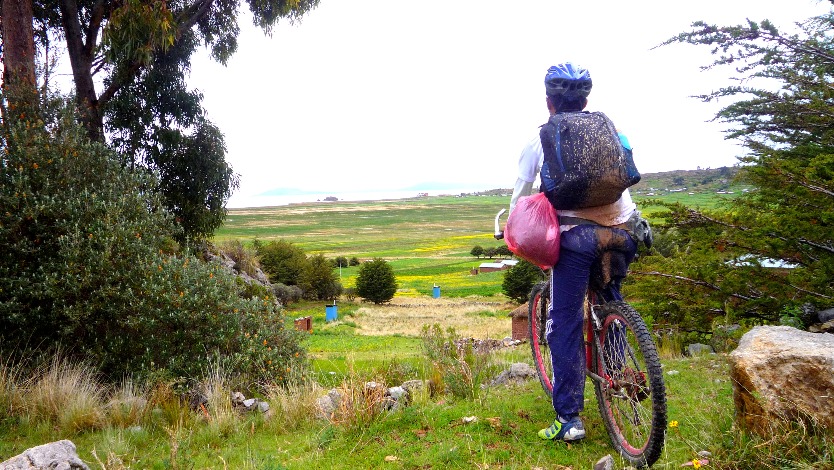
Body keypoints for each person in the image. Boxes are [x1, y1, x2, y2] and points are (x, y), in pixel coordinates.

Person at [509, 62, 639, 442]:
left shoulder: (540, 139)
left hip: (575, 240)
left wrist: (510, 227)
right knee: (610, 300)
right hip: (622, 234)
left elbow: (520, 195)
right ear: (585, 100)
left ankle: (569, 420)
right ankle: (618, 376)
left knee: (563, 323)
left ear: (549, 101)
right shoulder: (613, 133)